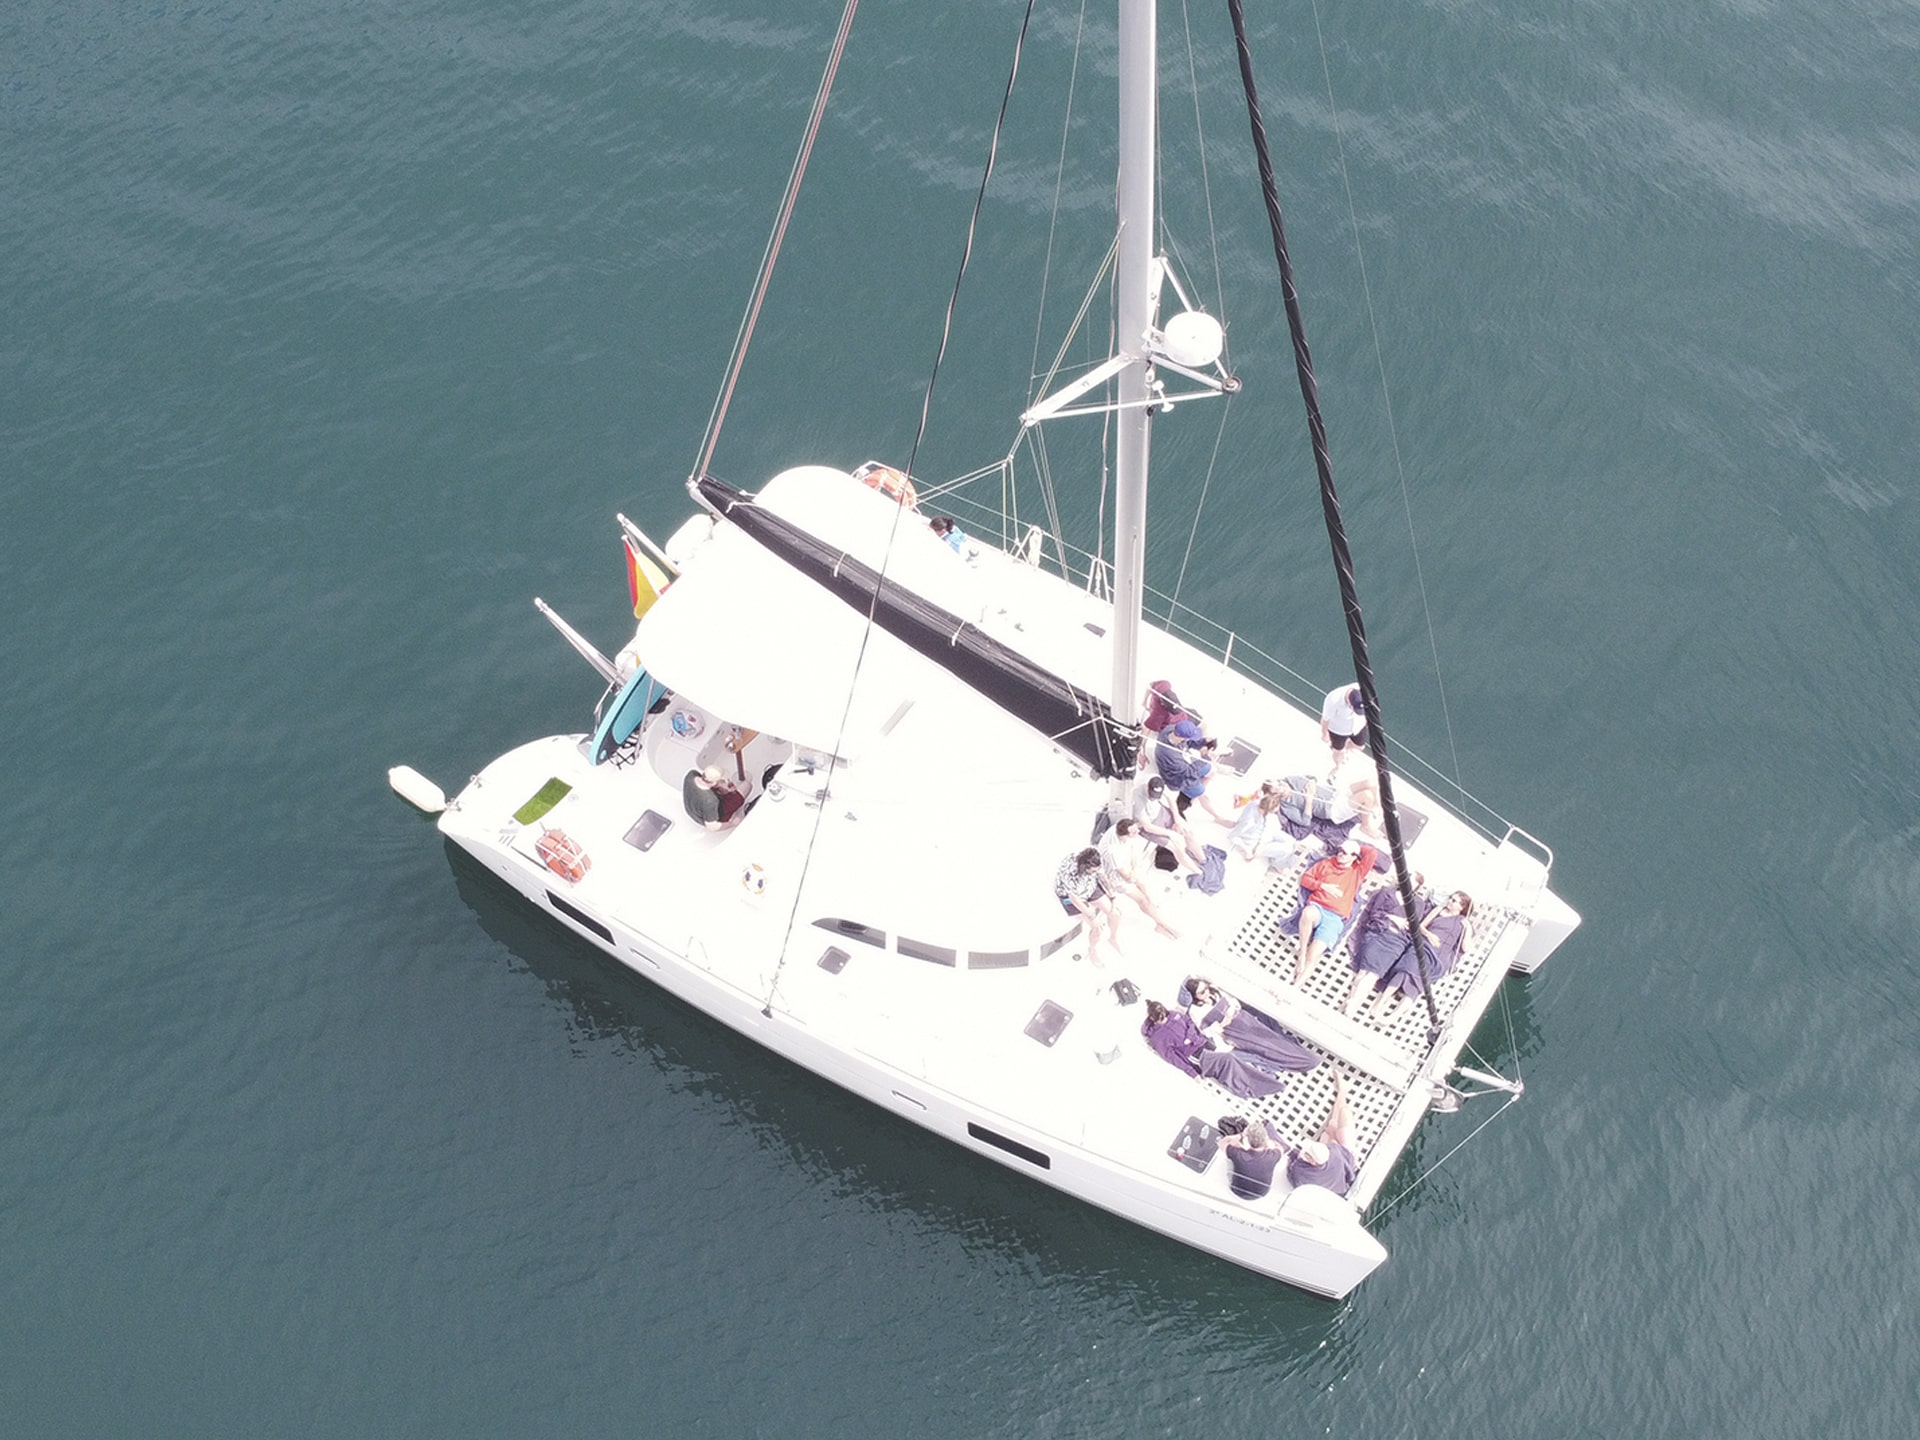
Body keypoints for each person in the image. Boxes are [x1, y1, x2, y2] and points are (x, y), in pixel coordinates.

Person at [1140, 1001, 1286, 1099]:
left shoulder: (1174, 1015)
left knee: (1232, 1060)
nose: (1164, 1020)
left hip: (1203, 1042)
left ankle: (1258, 1079)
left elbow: (1189, 1022)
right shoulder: (1158, 1038)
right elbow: (1173, 1058)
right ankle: (1251, 1086)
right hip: (1195, 1055)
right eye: (1160, 1019)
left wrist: (1190, 1036)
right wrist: (1192, 1073)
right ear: (1153, 1019)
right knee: (1228, 1061)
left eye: (1164, 1016)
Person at [1372, 891, 1476, 1023]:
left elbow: (1466, 948)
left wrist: (1467, 930)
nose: (1450, 901)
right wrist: (1429, 935)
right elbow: (1420, 926)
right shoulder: (1439, 910)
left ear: (1461, 907)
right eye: (1450, 898)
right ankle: (1380, 1003)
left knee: (1417, 986)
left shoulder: (1463, 923)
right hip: (1423, 947)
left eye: (1454, 901)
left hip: (1438, 959)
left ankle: (1393, 1017)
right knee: (1404, 971)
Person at [1185, 977, 1320, 1074]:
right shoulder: (1196, 1010)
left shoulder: (1216, 993)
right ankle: (1297, 1062)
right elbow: (1207, 1031)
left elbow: (1233, 1002)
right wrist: (1224, 1022)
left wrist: (1232, 1009)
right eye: (1202, 992)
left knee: (1273, 1039)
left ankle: (1305, 1057)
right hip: (1234, 1031)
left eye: (1206, 988)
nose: (1207, 992)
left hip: (1245, 1020)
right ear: (1195, 996)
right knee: (1264, 1048)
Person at [1293, 837, 1378, 985]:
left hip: (1335, 918)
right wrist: (1322, 886)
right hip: (1318, 907)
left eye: (1346, 853)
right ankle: (1301, 952)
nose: (1341, 854)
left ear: (1354, 857)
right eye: (1340, 850)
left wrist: (1356, 845)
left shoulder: (1357, 870)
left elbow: (1371, 853)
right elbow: (1305, 880)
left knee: (1313, 956)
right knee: (1308, 913)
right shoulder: (1326, 864)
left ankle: (1295, 987)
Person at [1342, 877, 1427, 1016]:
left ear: (1417, 886)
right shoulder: (1387, 892)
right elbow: (1374, 913)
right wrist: (1392, 918)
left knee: (1374, 974)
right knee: (1362, 973)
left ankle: (1351, 1007)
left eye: (1413, 881)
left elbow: (1412, 924)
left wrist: (1402, 922)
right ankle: (1351, 1003)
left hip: (1396, 941)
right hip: (1378, 934)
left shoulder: (1418, 903)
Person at [1098, 818, 1180, 938]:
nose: (1138, 833)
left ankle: (1152, 910)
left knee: (1143, 888)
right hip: (1116, 878)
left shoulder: (1121, 827)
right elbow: (1128, 878)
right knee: (1142, 900)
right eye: (1134, 833)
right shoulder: (1113, 851)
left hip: (1128, 867)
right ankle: (1163, 925)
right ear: (1125, 835)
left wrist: (1135, 867)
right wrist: (1134, 872)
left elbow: (1133, 850)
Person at [1286, 1073, 1358, 1196]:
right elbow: (1339, 1149)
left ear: (1313, 1162)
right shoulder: (1334, 1153)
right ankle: (1342, 1092)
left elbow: (1293, 1172)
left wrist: (1332, 1132)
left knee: (1332, 1125)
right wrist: (1333, 1134)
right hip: (1344, 1164)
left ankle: (1342, 1091)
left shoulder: (1299, 1172)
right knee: (1340, 1117)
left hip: (1341, 1161)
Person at [1153, 719, 1234, 824]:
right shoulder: (1170, 755)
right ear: (1181, 737)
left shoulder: (1171, 730)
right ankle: (1217, 816)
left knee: (1211, 772)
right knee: (1204, 796)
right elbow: (1188, 772)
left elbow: (1189, 743)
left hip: (1185, 763)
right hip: (1177, 778)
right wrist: (1206, 758)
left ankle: (1194, 792)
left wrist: (1203, 742)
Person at [1053, 846, 1119, 966]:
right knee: (1097, 927)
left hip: (1089, 888)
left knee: (1115, 914)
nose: (1096, 872)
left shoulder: (1095, 861)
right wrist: (1093, 916)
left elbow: (1102, 876)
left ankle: (1113, 938)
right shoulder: (1069, 872)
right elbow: (1074, 898)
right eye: (1093, 871)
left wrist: (1111, 893)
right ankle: (1092, 950)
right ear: (1085, 867)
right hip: (1071, 897)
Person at [1228, 785, 1298, 869]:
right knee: (1287, 849)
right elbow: (1233, 836)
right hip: (1256, 843)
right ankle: (1277, 864)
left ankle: (1283, 858)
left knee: (1292, 841)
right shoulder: (1249, 821)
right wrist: (1248, 851)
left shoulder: (1258, 803)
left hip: (1267, 832)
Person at [1220, 1119, 1286, 1201]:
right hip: (1262, 1194)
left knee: (1230, 1157)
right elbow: (1280, 1148)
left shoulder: (1239, 1154)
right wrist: (1268, 1143)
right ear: (1265, 1139)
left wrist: (1241, 1135)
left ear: (1247, 1140)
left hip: (1237, 1191)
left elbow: (1222, 1143)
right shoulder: (1273, 1156)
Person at [1319, 684, 1368, 779]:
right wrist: (1324, 733)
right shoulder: (1333, 700)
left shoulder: (1362, 689)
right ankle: (1337, 766)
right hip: (1338, 730)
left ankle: (1344, 748)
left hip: (1357, 725)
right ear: (1350, 704)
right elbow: (1325, 719)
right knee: (1338, 752)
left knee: (1360, 746)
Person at [681, 765, 743, 829]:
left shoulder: (691, 774)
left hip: (691, 809)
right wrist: (733, 823)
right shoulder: (710, 800)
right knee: (747, 786)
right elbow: (713, 827)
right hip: (705, 817)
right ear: (714, 783)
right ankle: (730, 816)